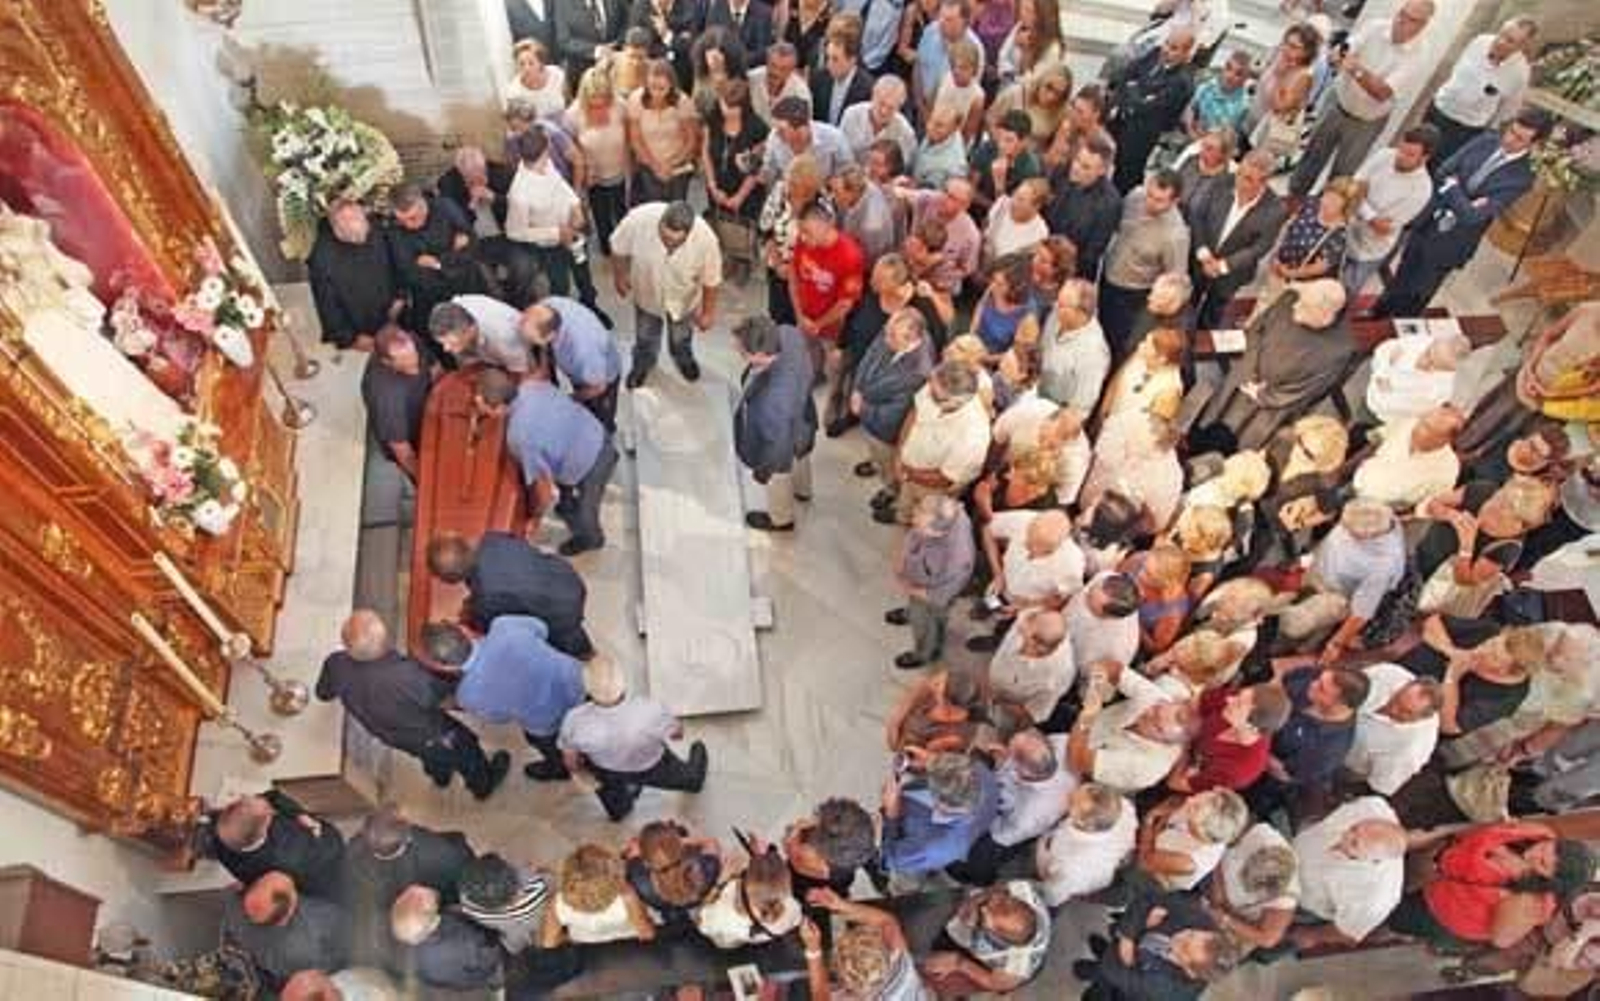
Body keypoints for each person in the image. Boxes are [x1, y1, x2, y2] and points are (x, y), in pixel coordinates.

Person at [317, 609, 512, 799]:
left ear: (346, 645)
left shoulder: (335, 663)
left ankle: (441, 776)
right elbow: (443, 698)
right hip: (433, 734)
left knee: (428, 756)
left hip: (393, 736)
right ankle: (482, 784)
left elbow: (323, 694)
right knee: (466, 748)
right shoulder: (409, 677)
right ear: (386, 643)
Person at [1372, 109, 1547, 320]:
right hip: (1429, 219)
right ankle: (1378, 311)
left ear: (1534, 144)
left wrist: (1454, 186)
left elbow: (1472, 216)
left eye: (1519, 139)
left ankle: (1401, 325)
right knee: (1403, 271)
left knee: (1420, 289)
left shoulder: (1522, 177)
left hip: (1453, 241)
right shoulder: (1486, 140)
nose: (1509, 139)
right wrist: (1465, 200)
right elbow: (1443, 170)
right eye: (1511, 131)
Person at [1288, 0, 1437, 198]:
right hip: (1338, 102)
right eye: (1402, 13)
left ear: (1422, 25)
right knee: (1310, 158)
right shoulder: (1375, 27)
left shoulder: (1420, 55)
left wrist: (1355, 69)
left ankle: (1320, 212)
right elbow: (1346, 50)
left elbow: (1382, 92)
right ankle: (1292, 201)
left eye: (1411, 19)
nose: (1401, 21)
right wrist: (1338, 55)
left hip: (1366, 122)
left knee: (1342, 175)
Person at [479, 362, 618, 556]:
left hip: (591, 463)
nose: (479, 405)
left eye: (482, 404)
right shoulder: (531, 386)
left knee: (587, 513)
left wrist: (535, 517)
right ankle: (567, 505)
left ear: (498, 409)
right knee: (566, 490)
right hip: (594, 431)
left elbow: (543, 488)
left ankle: (591, 539)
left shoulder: (519, 437)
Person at [1199, 279, 1355, 450]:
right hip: (1245, 375)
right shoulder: (1291, 298)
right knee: (1217, 416)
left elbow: (1307, 389)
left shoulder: (1340, 350)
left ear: (1324, 317)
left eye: (1304, 306)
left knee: (1246, 440)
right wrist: (1250, 369)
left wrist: (1264, 396)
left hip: (1273, 404)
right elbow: (1258, 329)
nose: (1295, 306)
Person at [426, 614, 584, 781]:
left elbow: (501, 719)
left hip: (547, 723)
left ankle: (559, 768)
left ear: (445, 666)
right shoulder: (504, 626)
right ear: (463, 630)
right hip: (581, 684)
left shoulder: (467, 697)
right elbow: (542, 629)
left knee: (544, 742)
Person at [558, 655, 709, 821]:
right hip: (653, 765)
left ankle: (623, 806)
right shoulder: (651, 708)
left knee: (617, 808)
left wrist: (581, 772)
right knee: (691, 781)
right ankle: (692, 767)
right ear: (623, 683)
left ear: (587, 689)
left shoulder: (573, 720)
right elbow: (677, 735)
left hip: (607, 771)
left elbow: (570, 761)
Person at [425, 529, 592, 658]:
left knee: (568, 640)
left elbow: (491, 629)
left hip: (562, 609)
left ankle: (585, 654)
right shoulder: (491, 539)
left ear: (452, 580)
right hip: (564, 575)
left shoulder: (486, 599)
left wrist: (468, 617)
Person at [611, 200, 723, 387]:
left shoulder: (706, 240)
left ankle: (683, 358)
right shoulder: (637, 220)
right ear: (660, 222)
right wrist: (620, 276)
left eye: (675, 242)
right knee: (645, 336)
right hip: (647, 293)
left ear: (689, 233)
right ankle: (643, 363)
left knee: (681, 336)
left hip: (683, 299)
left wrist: (708, 313)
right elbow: (617, 247)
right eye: (664, 238)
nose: (668, 245)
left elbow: (712, 280)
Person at [344, 806, 476, 957]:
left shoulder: (353, 851)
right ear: (406, 839)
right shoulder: (439, 851)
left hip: (396, 912)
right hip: (432, 908)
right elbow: (462, 877)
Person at [732, 315, 819, 532]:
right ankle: (803, 490)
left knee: (779, 474)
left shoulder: (773, 402)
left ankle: (781, 519)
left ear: (759, 355)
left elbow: (777, 448)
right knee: (801, 451)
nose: (735, 348)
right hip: (803, 415)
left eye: (741, 348)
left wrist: (764, 471)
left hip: (781, 437)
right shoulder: (787, 332)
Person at [1076, 883, 1238, 1000]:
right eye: (1191, 933)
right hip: (1131, 945)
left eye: (1184, 947)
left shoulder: (1166, 990)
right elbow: (1149, 896)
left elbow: (1115, 971)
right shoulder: (1201, 917)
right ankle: (1104, 954)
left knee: (1101, 983)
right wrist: (1128, 936)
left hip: (1124, 979)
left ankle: (1096, 975)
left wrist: (1126, 947)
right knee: (1112, 945)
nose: (1178, 936)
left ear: (1190, 971)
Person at [880, 359, 991, 525]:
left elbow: (946, 478)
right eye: (930, 387)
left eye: (935, 396)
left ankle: (908, 523)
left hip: (933, 489)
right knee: (906, 500)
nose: (928, 395)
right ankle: (902, 514)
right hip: (908, 470)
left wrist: (908, 474)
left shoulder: (974, 436)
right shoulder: (936, 386)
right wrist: (899, 452)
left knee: (923, 519)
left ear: (957, 401)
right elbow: (914, 413)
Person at [1289, 796, 1408, 947]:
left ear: (1374, 861)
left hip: (1299, 896)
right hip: (1292, 849)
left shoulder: (1373, 898)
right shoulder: (1373, 807)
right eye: (1354, 828)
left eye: (1354, 844)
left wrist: (1312, 935)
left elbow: (1346, 933)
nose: (1346, 836)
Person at [1068, 660, 1198, 793]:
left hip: (1081, 782)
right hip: (1082, 725)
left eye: (1156, 725)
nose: (1146, 713)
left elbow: (1077, 758)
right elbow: (1110, 667)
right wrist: (1094, 696)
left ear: (1177, 743)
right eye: (1155, 708)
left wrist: (1089, 712)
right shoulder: (1162, 696)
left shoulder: (1149, 767)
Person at [1099, 170, 1190, 359]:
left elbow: (1175, 281)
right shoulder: (1136, 196)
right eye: (1149, 194)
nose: (1149, 202)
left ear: (1174, 201)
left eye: (1159, 200)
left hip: (1133, 297)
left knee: (1119, 343)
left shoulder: (1175, 236)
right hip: (1108, 278)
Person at [791, 203, 867, 425]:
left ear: (826, 225)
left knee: (835, 370)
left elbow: (845, 303)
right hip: (805, 319)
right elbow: (793, 276)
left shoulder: (850, 255)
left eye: (808, 232)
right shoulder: (803, 242)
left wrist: (818, 324)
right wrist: (799, 315)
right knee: (808, 354)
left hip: (833, 329)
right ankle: (811, 377)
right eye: (801, 231)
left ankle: (835, 402)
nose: (803, 237)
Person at [1425, 17, 1538, 162]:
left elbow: (1508, 110)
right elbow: (1456, 69)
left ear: (1521, 47)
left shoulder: (1520, 73)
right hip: (1439, 109)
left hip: (1466, 129)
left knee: (1438, 167)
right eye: (1501, 34)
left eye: (1510, 41)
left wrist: (1488, 133)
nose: (1500, 41)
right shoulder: (1480, 41)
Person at [851, 300, 937, 489]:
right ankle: (875, 462)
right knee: (875, 452)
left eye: (892, 336)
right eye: (887, 331)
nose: (885, 338)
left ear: (911, 339)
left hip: (883, 433)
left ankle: (890, 488)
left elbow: (892, 418)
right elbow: (869, 355)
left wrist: (862, 408)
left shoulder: (918, 374)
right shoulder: (892, 330)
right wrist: (857, 388)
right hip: (867, 409)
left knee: (887, 464)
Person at [1343, 126, 1439, 297]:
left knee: (1344, 293)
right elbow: (1352, 186)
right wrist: (1371, 215)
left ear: (1424, 158)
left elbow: (1383, 227)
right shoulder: (1385, 155)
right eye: (1401, 149)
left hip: (1368, 250)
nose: (1400, 156)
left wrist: (1360, 200)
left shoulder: (1422, 190)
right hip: (1344, 230)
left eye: (1409, 155)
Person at [1105, 26, 1197, 193]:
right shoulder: (1155, 53)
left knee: (1126, 177)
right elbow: (1127, 73)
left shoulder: (1182, 82)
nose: (1166, 50)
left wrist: (1133, 87)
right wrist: (1136, 93)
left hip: (1141, 133)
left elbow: (1147, 107)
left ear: (1186, 54)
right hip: (1121, 117)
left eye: (1174, 48)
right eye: (1167, 43)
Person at [879, 750, 999, 877]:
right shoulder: (981, 774)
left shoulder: (935, 848)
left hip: (911, 856)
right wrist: (934, 761)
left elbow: (890, 859)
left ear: (941, 804)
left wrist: (891, 816)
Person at [888, 494, 975, 669]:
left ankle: (924, 653)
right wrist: (903, 560)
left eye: (919, 526)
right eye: (916, 514)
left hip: (932, 594)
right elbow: (914, 534)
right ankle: (911, 612)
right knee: (916, 606)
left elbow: (941, 594)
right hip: (918, 580)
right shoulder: (942, 513)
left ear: (938, 532)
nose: (914, 522)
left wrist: (910, 589)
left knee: (927, 623)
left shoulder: (958, 559)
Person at [503, 127, 586, 307]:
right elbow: (514, 232)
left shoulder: (547, 164)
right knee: (561, 285)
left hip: (572, 229)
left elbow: (561, 185)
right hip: (551, 247)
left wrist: (576, 206)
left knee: (583, 274)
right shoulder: (519, 193)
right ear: (545, 150)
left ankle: (589, 301)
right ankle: (561, 310)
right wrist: (557, 233)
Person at [222, 872, 350, 988]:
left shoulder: (233, 907)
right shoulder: (322, 919)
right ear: (287, 915)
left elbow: (231, 892)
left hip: (262, 970)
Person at [388, 183, 483, 338]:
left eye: (412, 218)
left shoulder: (445, 207)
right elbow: (410, 273)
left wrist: (438, 263)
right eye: (402, 220)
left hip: (468, 284)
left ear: (422, 204)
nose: (408, 225)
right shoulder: (395, 231)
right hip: (432, 296)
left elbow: (472, 245)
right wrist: (453, 254)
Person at [307, 198, 402, 350]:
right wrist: (350, 338)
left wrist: (399, 296)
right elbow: (327, 304)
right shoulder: (322, 259)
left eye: (365, 229)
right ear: (338, 231)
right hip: (362, 326)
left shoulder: (374, 227)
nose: (363, 239)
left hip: (394, 311)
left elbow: (395, 261)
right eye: (355, 236)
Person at [924, 881, 1052, 993]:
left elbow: (993, 982)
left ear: (999, 938)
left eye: (984, 916)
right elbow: (996, 890)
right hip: (974, 937)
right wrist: (974, 901)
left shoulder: (1015, 967)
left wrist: (958, 962)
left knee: (934, 972)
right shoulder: (1024, 891)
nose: (983, 908)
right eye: (998, 902)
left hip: (997, 971)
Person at [800, 892, 927, 1001]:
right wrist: (840, 904)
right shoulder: (901, 967)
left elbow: (819, 995)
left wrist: (813, 949)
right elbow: (887, 922)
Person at [521, 296, 622, 432]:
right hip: (583, 371)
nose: (530, 344)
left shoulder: (583, 350)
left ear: (551, 336)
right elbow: (544, 344)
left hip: (601, 380)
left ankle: (606, 433)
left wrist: (566, 400)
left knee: (600, 420)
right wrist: (543, 368)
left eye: (533, 340)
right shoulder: (547, 306)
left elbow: (598, 388)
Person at [1170, 683, 1290, 793]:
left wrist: (1184, 745)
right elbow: (1196, 702)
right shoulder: (1240, 699)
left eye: (1238, 704)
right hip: (1181, 730)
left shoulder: (1238, 770)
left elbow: (1176, 783)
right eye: (1238, 695)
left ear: (1251, 727)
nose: (1230, 699)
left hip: (1179, 763)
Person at [1344, 661, 1442, 796]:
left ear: (1422, 718)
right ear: (1405, 684)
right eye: (1396, 699)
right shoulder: (1388, 673)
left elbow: (1377, 787)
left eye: (1405, 712)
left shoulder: (1409, 753)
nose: (1393, 710)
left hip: (1346, 765)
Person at [565, 69, 631, 258]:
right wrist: (584, 171)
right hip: (593, 176)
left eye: (603, 96)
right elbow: (573, 147)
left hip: (620, 171)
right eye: (593, 97)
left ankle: (625, 246)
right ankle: (607, 249)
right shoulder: (573, 114)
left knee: (622, 212)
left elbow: (629, 139)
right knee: (601, 217)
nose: (598, 102)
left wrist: (630, 172)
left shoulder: (620, 106)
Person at [1035, 782, 1137, 905]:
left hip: (1066, 878)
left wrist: (1043, 876)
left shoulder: (1072, 865)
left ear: (1082, 823)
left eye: (1072, 802)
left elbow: (1052, 897)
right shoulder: (1124, 806)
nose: (1069, 794)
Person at [390, 884, 504, 991]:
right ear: (429, 916)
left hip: (454, 980)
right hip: (483, 971)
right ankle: (497, 980)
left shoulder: (418, 955)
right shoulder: (463, 941)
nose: (434, 893)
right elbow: (490, 956)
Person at [1207, 823, 1300, 953]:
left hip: (1236, 920)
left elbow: (1267, 939)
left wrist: (1225, 918)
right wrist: (1218, 893)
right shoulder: (1260, 835)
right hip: (1214, 881)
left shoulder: (1284, 898)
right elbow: (1219, 845)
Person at [1351, 404, 1464, 511]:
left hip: (1376, 510)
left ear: (1446, 439)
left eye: (1429, 429)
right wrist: (1345, 469)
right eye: (1423, 422)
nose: (1419, 430)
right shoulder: (1408, 423)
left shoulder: (1447, 471)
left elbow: (1426, 509)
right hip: (1357, 481)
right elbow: (1374, 441)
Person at [694, 839, 803, 948]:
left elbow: (699, 922)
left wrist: (721, 881)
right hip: (751, 939)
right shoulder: (793, 908)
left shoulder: (723, 910)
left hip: (728, 939)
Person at [1136, 788, 1251, 891]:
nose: (1189, 800)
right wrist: (1157, 826)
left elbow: (1144, 861)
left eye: (1196, 807)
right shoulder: (1202, 807)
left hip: (1153, 877)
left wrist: (1149, 819)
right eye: (1203, 794)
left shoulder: (1188, 862)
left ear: (1202, 831)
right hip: (1152, 839)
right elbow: (1173, 802)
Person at [543, 843, 658, 944]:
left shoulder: (558, 903)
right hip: (625, 943)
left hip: (585, 946)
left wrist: (568, 939)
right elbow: (647, 934)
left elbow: (549, 943)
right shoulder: (626, 897)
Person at [360, 326, 432, 483]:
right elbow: (404, 454)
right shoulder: (385, 397)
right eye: (405, 361)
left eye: (414, 355)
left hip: (425, 410)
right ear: (387, 362)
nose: (415, 366)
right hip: (409, 436)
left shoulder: (411, 342)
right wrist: (426, 481)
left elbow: (435, 368)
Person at [1044, 135, 1121, 281]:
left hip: (1072, 271)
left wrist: (1061, 269)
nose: (1076, 168)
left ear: (1102, 171)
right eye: (1077, 160)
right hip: (1043, 252)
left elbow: (1091, 254)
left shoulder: (1109, 204)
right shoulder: (1061, 172)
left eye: (1086, 167)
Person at [623, 819, 723, 928]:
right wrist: (680, 840)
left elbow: (632, 853)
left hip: (661, 907)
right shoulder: (706, 870)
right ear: (682, 849)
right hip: (696, 903)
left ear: (646, 863)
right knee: (682, 829)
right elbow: (711, 842)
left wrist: (649, 846)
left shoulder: (639, 879)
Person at [627, 59, 701, 204]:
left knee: (677, 207)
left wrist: (671, 164)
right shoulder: (636, 100)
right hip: (649, 165)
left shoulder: (682, 101)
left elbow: (691, 139)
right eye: (652, 87)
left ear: (671, 86)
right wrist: (655, 166)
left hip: (678, 166)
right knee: (654, 207)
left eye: (662, 89)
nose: (657, 93)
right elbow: (636, 139)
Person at [1036, 278, 1110, 414]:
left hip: (1053, 411)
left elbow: (1080, 408)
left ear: (1081, 313)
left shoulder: (1093, 354)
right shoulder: (1056, 315)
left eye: (1062, 305)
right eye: (1058, 301)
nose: (1055, 306)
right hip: (1034, 390)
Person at [989, 608, 1074, 722]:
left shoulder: (1055, 677)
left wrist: (999, 702)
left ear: (1037, 646)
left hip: (1009, 706)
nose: (1019, 628)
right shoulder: (1030, 618)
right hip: (995, 681)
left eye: (1023, 633)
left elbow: (1032, 713)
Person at [457, 853, 553, 953]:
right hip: (529, 925)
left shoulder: (467, 901)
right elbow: (549, 880)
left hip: (504, 929)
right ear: (516, 893)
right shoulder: (537, 891)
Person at [914, 0, 985, 121]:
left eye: (949, 19)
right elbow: (918, 67)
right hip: (921, 109)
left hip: (947, 121)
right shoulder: (930, 31)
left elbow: (967, 95)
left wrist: (936, 120)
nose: (941, 23)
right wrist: (920, 106)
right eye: (941, 16)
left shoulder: (975, 49)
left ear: (964, 22)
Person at [762, 95, 855, 186]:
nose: (776, 134)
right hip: (788, 191)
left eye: (781, 130)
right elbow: (769, 172)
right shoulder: (774, 137)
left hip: (826, 190)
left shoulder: (834, 138)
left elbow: (848, 173)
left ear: (800, 128)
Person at [428, 295, 529, 373]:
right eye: (443, 343)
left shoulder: (503, 336)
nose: (446, 349)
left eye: (452, 343)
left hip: (517, 357)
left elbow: (521, 372)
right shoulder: (455, 309)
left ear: (470, 330)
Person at [840, 75, 917, 166]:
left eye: (891, 108)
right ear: (873, 96)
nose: (884, 111)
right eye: (881, 103)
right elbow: (841, 155)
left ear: (899, 108)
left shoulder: (905, 132)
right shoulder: (851, 115)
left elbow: (905, 167)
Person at [829, 164, 898, 265]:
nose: (833, 197)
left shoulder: (872, 225)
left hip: (868, 263)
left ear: (853, 192)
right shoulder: (860, 188)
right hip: (850, 246)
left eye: (836, 192)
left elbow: (867, 261)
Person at [811, 28, 874, 127]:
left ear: (852, 60)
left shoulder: (868, 88)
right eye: (828, 57)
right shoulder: (818, 78)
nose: (828, 64)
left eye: (835, 59)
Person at [553, 0, 628, 84]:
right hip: (582, 75)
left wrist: (617, 43)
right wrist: (596, 50)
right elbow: (564, 40)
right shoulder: (563, 3)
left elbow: (626, 23)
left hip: (616, 70)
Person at [1184, 49, 1253, 138]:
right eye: (1228, 68)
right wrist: (1190, 129)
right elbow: (1191, 108)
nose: (1230, 76)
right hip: (1192, 134)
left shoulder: (1243, 105)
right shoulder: (1208, 86)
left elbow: (1230, 136)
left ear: (1245, 79)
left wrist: (1206, 137)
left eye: (1238, 74)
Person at [749, 42, 813, 128]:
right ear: (766, 62)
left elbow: (802, 130)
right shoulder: (751, 79)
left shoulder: (801, 93)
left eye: (783, 69)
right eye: (773, 65)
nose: (776, 72)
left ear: (792, 70)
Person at [706, 0, 776, 56]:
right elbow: (709, 44)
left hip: (751, 67)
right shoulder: (716, 9)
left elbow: (762, 52)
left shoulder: (764, 13)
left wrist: (735, 63)